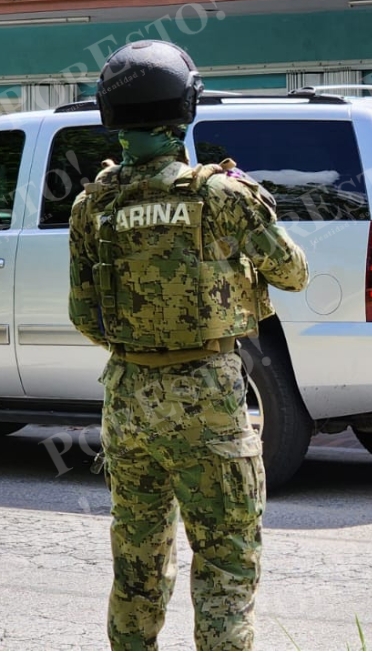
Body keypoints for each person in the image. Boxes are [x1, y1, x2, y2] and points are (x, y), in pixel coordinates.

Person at [67, 40, 308, 651]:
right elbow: (292, 272)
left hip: (127, 398)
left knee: (137, 566)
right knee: (226, 561)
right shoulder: (222, 196)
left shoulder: (93, 204)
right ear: (185, 108)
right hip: (208, 395)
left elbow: (84, 315)